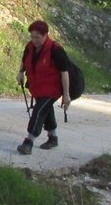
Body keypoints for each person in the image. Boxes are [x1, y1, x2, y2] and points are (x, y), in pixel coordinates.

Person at [15, 19, 71, 155]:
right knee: (46, 111)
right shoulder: (29, 47)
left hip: (52, 89)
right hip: (37, 87)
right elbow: (24, 60)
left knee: (38, 111)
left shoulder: (56, 49)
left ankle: (28, 141)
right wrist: (20, 72)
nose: (34, 40)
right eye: (32, 37)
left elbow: (64, 73)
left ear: (46, 35)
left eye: (38, 37)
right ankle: (53, 138)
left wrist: (66, 94)